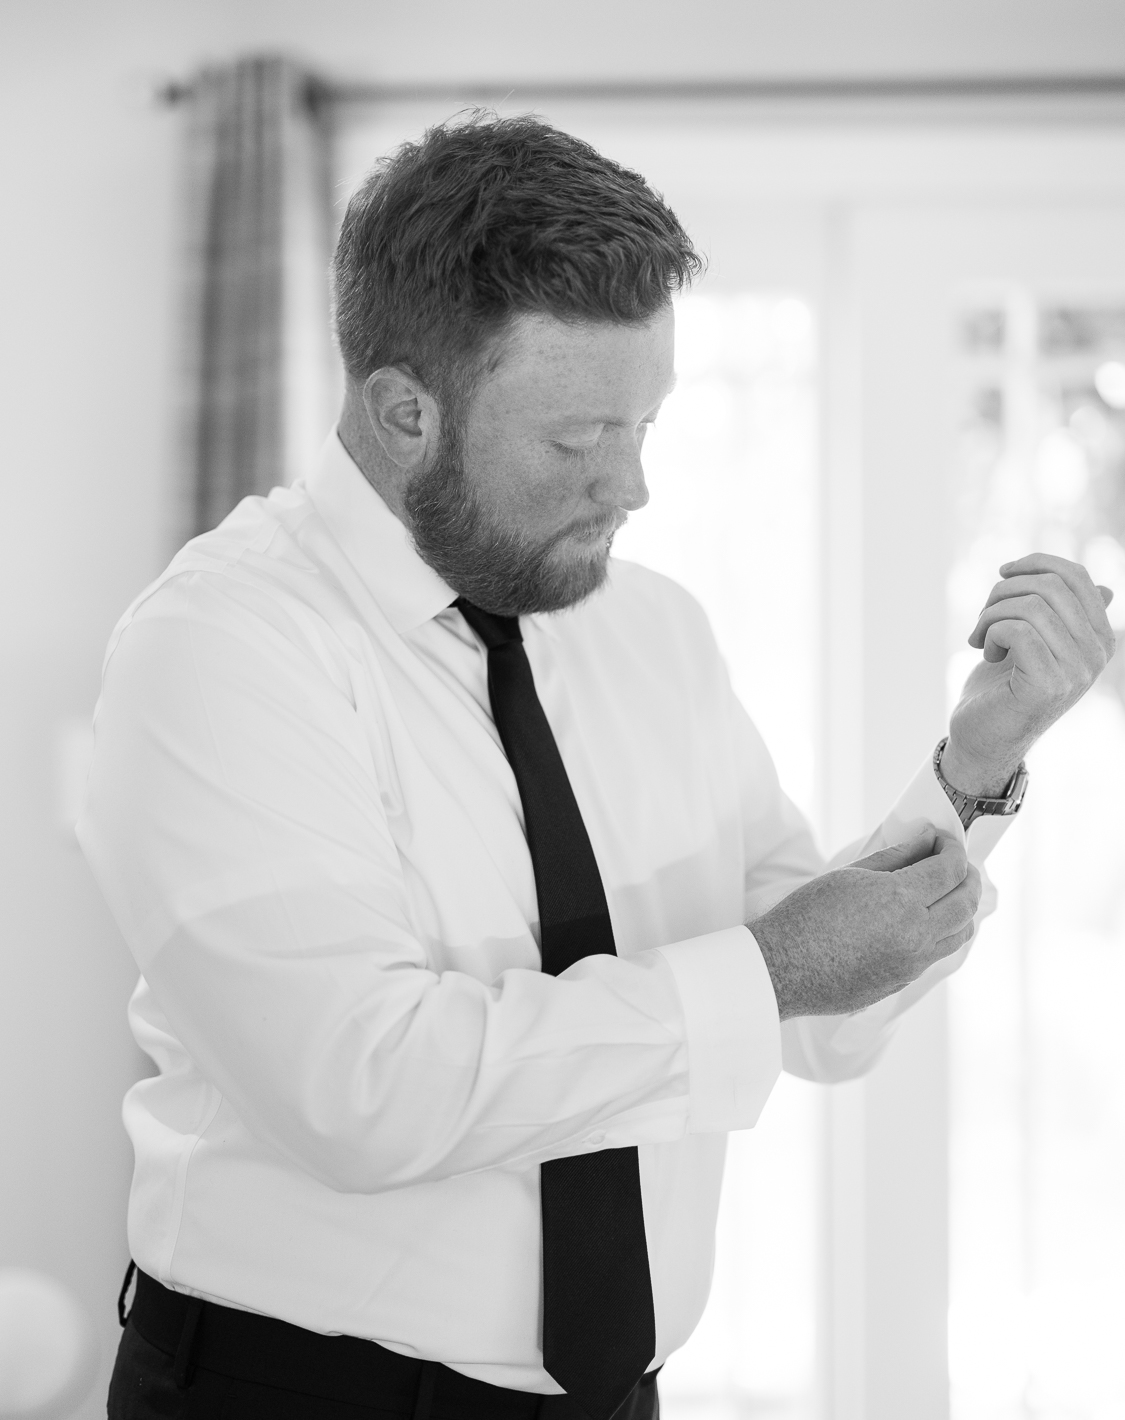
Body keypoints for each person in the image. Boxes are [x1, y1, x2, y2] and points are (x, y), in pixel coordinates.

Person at [80, 114, 1116, 1420]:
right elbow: (362, 1091)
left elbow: (823, 1013)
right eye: (578, 441)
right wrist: (774, 967)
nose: (630, 486)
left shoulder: (654, 631)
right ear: (404, 414)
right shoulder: (222, 646)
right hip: (290, 1393)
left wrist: (977, 762)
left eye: (644, 425)